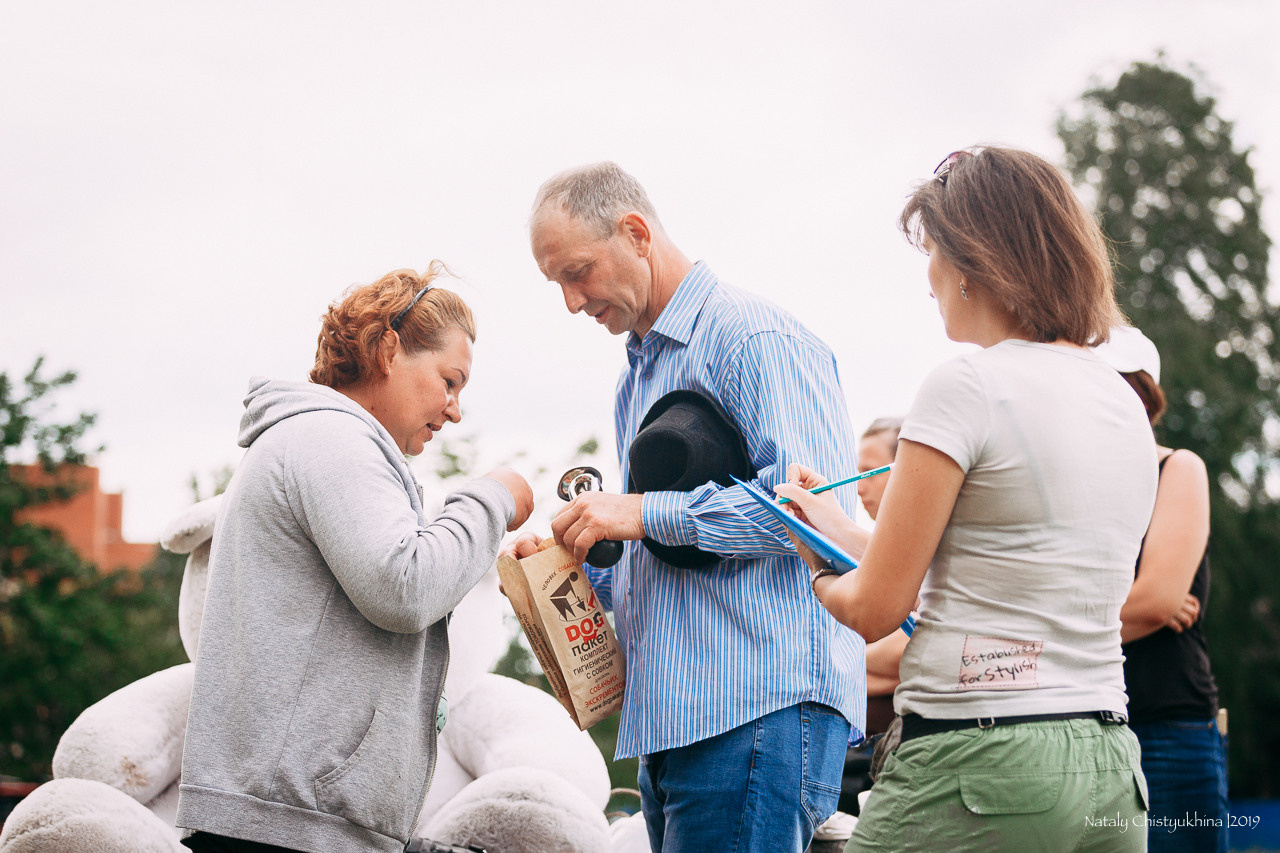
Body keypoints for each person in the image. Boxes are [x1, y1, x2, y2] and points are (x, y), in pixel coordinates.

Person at [776, 147, 1158, 852]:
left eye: (932, 250)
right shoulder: (1120, 399)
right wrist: (823, 523)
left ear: (971, 260)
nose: (928, 276)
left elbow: (874, 608)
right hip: (1108, 760)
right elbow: (983, 562)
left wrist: (813, 565)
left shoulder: (965, 385)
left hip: (978, 762)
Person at [514, 161, 865, 852]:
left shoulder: (756, 338)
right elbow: (662, 554)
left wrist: (643, 512)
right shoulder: (635, 378)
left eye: (577, 271)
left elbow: (815, 516)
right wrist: (571, 567)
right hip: (675, 725)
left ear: (637, 232)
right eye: (556, 282)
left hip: (756, 709)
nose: (571, 301)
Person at [174, 266, 534, 853]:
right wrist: (492, 497)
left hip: (291, 823)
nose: (455, 409)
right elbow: (404, 587)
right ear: (389, 349)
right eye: (450, 380)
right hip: (287, 829)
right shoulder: (331, 440)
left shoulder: (325, 444)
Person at [1096, 325, 1228, 853]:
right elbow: (1149, 604)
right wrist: (1135, 606)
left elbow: (1156, 602)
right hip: (1081, 722)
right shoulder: (1075, 481)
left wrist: (1047, 628)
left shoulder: (1177, 467)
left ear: (1144, 397)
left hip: (1167, 726)